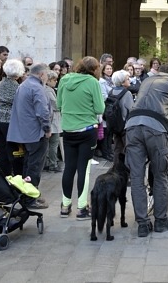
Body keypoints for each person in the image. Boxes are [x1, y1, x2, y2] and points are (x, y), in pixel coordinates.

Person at [124, 63, 168, 237]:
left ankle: (143, 224)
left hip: (132, 127)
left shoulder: (147, 81)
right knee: (160, 175)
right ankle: (161, 220)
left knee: (137, 177)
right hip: (156, 129)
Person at [58, 56, 105, 220]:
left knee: (69, 167)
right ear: (94, 69)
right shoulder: (92, 82)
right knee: (83, 168)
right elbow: (100, 108)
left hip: (68, 129)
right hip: (86, 129)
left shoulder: (64, 80)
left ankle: (65, 205)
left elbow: (59, 104)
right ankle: (82, 207)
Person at [7, 63, 51, 210]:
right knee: (35, 166)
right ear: (41, 74)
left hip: (24, 133)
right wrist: (47, 128)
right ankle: (30, 198)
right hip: (35, 133)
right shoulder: (37, 88)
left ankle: (25, 195)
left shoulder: (24, 85)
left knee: (28, 165)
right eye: (46, 74)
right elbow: (42, 111)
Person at [0, 59, 24, 176]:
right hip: (11, 121)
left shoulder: (1, 83)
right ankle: (15, 176)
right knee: (13, 151)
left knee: (2, 150)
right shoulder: (17, 86)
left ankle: (4, 174)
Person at [107, 70, 134, 163]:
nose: (129, 80)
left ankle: (117, 167)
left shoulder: (111, 92)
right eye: (127, 79)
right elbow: (131, 109)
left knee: (117, 149)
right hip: (125, 126)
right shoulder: (127, 93)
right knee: (129, 149)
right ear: (122, 82)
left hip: (114, 125)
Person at [43, 71, 63, 174]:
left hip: (53, 120)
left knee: (51, 144)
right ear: (49, 80)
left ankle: (49, 163)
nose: (56, 82)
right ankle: (52, 164)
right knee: (53, 144)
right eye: (54, 80)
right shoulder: (48, 90)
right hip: (53, 121)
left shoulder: (49, 89)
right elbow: (55, 105)